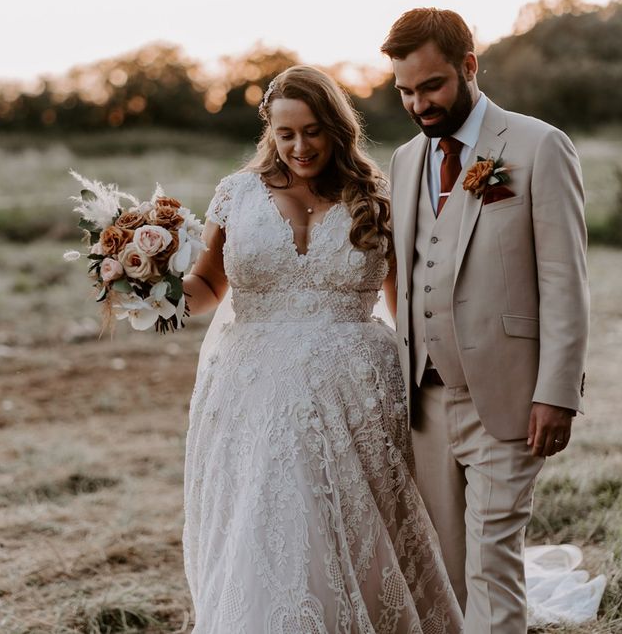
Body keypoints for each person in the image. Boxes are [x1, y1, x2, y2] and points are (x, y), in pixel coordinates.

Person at [180, 65, 463, 633]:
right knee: (269, 521)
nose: (299, 147)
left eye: (311, 131)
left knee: (353, 527)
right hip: (253, 389)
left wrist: (446, 372)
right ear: (269, 133)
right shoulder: (236, 194)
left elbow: (403, 302)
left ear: (336, 126)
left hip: (356, 391)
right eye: (285, 134)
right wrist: (152, 287)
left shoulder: (374, 196)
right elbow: (209, 287)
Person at [381, 8, 589, 633]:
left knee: (492, 565)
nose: (419, 104)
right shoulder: (404, 161)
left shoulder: (537, 146)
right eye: (405, 92)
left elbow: (565, 280)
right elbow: (412, 269)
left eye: (432, 86)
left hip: (509, 397)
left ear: (468, 66)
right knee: (446, 570)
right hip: (426, 402)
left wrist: (558, 393)